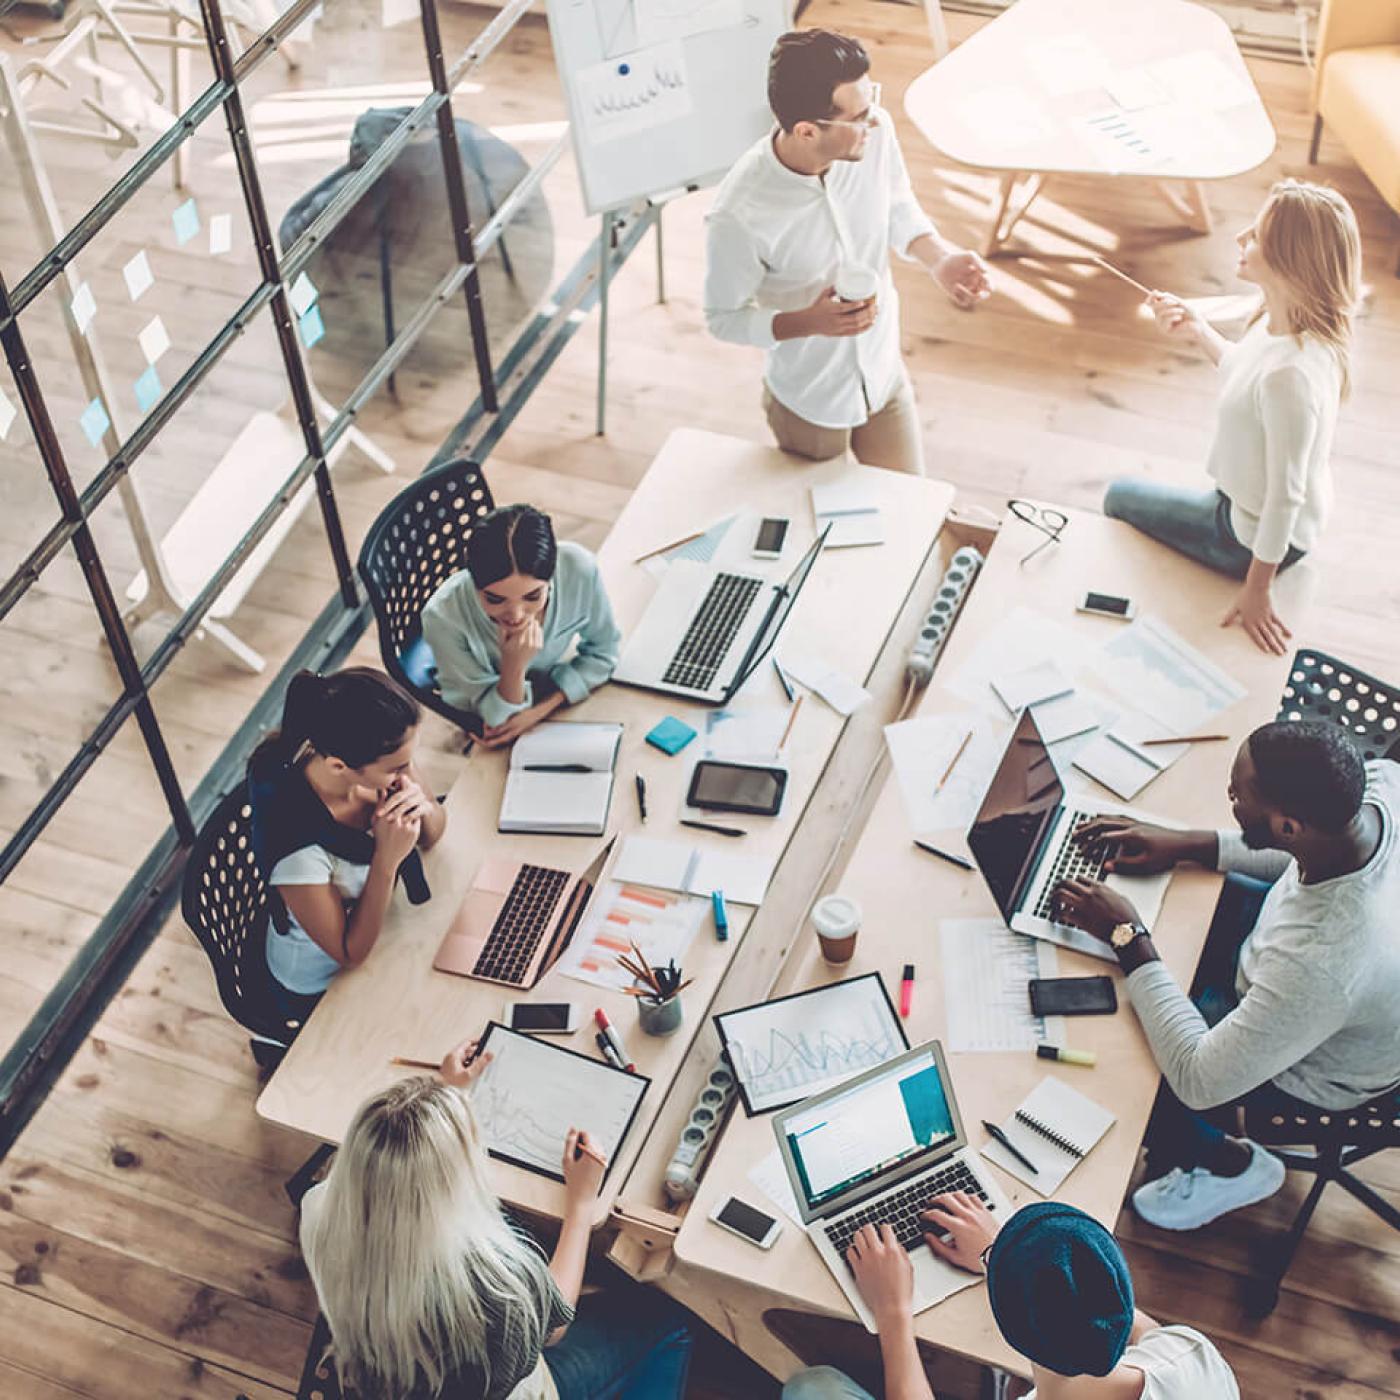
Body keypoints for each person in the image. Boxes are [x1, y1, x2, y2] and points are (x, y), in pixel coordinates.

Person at [1054, 720, 1400, 1231]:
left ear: (1287, 827)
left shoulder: (1325, 961)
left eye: (1239, 795)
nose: (1230, 796)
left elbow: (1199, 1080)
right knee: (1176, 932)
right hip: (1290, 959)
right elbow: (1297, 859)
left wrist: (1127, 935)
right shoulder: (1380, 787)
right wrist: (1185, 844)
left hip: (1314, 1064)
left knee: (1129, 1074)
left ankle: (1232, 1164)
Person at [299, 1038, 693, 1399]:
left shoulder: (317, 1209)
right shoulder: (493, 1283)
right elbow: (555, 1326)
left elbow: (396, 1176)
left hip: (388, 1374)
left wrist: (443, 1095)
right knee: (669, 1323)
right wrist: (581, 1206)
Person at [703, 29, 990, 477]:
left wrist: (939, 258)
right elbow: (723, 317)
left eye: (871, 101)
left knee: (909, 504)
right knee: (825, 530)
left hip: (883, 374)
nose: (872, 121)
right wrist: (808, 323)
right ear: (806, 130)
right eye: (857, 116)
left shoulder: (874, 133)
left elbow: (895, 203)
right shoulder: (738, 215)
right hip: (809, 401)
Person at [1103, 178, 1361, 655]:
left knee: (1117, 497)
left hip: (1246, 533)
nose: (1241, 237)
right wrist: (1198, 328)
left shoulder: (1292, 378)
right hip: (1259, 507)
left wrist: (1257, 588)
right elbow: (1246, 375)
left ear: (1289, 261)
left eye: (1257, 234)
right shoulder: (1284, 321)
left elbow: (1285, 499)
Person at [782, 1197, 1238, 1399]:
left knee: (811, 1387)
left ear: (1009, 1327)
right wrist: (1002, 1257)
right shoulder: (1193, 1357)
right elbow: (1122, 1316)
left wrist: (893, 1312)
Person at [248, 667, 446, 1019]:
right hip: (321, 982)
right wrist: (387, 859)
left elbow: (433, 835)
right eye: (399, 768)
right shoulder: (299, 851)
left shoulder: (377, 759)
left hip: (384, 925)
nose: (407, 773)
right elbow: (348, 952)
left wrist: (423, 807)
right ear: (339, 766)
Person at [421, 504, 620, 748]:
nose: (516, 615)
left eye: (533, 596)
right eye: (494, 599)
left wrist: (540, 711)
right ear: (474, 582)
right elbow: (498, 720)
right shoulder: (443, 617)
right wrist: (513, 665)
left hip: (547, 699)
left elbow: (605, 652)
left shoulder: (578, 569)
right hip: (488, 706)